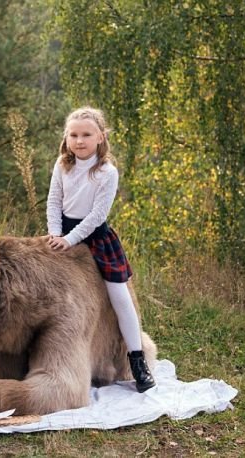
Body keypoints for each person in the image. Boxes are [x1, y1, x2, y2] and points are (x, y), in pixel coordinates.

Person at [46, 106, 156, 392]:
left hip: (95, 237)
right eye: (73, 135)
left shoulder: (107, 172)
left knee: (120, 296)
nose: (79, 141)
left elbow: (97, 216)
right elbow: (53, 202)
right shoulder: (62, 165)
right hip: (61, 235)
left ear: (100, 137)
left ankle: (137, 360)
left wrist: (71, 240)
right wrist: (56, 233)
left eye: (86, 134)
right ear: (66, 137)